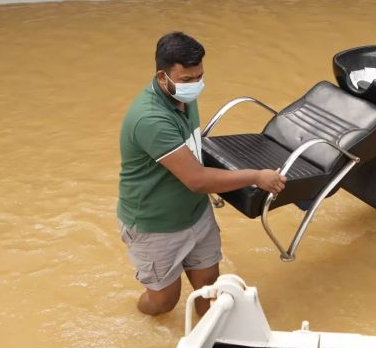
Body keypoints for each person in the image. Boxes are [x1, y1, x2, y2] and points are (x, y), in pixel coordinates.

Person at [117, 32, 286, 317]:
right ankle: (135, 319)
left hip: (196, 213)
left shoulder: (183, 96)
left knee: (208, 290)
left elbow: (194, 149)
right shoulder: (151, 119)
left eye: (199, 77)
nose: (195, 85)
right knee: (163, 303)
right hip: (156, 225)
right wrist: (256, 176)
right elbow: (196, 180)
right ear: (163, 77)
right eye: (187, 80)